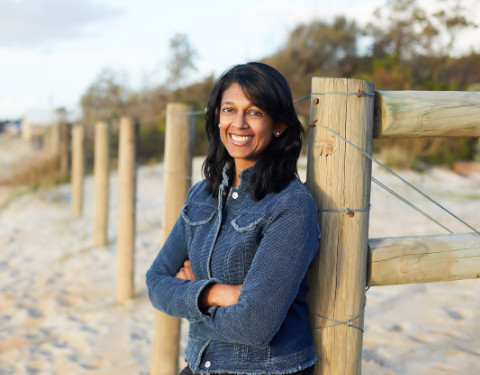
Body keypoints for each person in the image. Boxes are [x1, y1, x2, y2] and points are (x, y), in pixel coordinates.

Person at [146, 62, 320, 375]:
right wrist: (217, 293)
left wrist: (189, 296)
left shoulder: (291, 205)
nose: (238, 123)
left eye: (255, 112)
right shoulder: (201, 196)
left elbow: (254, 324)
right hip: (202, 364)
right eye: (229, 109)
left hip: (266, 369)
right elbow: (156, 282)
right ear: (217, 116)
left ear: (278, 125)